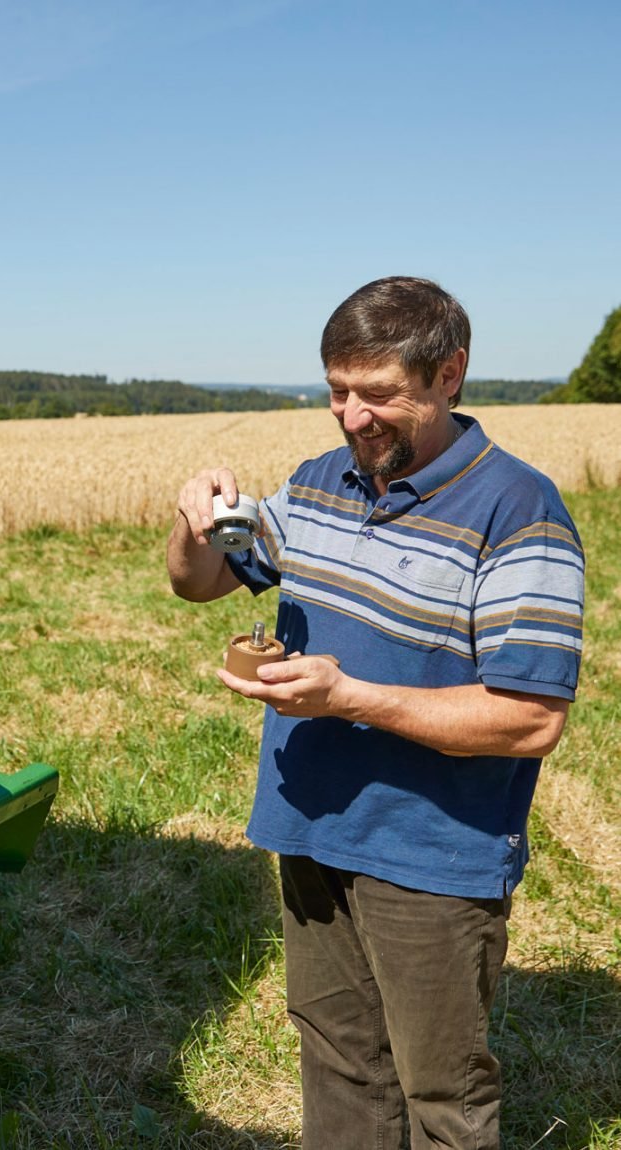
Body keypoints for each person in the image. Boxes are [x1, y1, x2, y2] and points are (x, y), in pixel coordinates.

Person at [166, 276, 584, 1150]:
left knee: (441, 1097)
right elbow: (201, 582)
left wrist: (347, 697)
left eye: (380, 394)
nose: (354, 417)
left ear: (449, 375)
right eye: (338, 392)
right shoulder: (321, 483)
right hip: (311, 826)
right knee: (340, 1065)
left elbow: (530, 719)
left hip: (431, 853)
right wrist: (192, 523)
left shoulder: (518, 511)